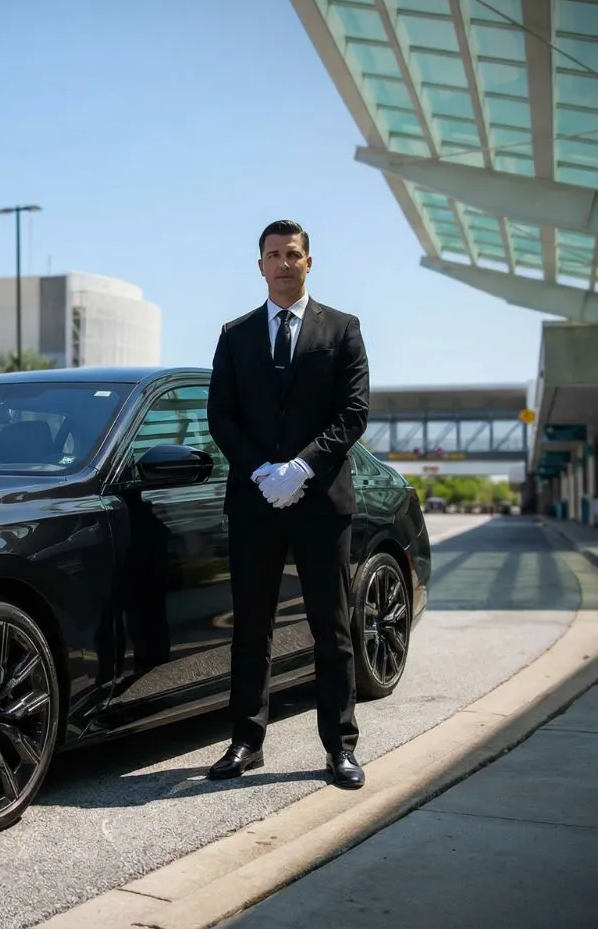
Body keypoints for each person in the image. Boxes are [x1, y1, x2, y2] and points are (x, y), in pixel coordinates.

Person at [205, 219, 370, 789]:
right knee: (252, 626)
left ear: (309, 261)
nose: (283, 263)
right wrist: (260, 471)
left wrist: (301, 468)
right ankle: (246, 742)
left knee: (333, 626)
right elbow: (220, 415)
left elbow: (353, 413)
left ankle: (341, 748)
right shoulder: (235, 334)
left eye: (292, 254)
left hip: (321, 502)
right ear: (260, 265)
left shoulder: (343, 329)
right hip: (254, 503)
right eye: (273, 255)